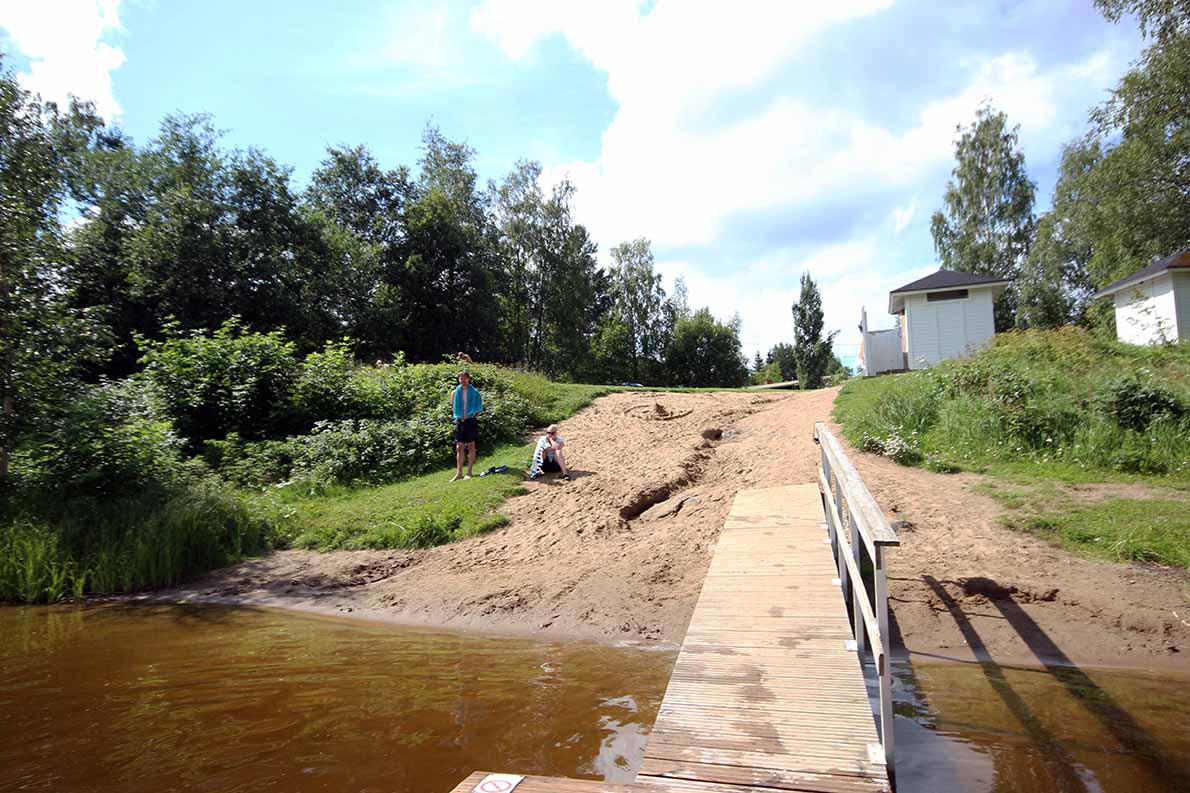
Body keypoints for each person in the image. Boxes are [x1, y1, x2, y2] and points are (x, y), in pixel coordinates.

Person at [451, 371, 483, 481]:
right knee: (459, 447)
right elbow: (453, 407)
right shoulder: (455, 392)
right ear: (458, 380)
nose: (463, 380)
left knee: (471, 446)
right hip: (460, 421)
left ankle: (469, 471)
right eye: (461, 378)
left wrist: (471, 415)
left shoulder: (475, 392)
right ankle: (459, 473)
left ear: (468, 379)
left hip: (470, 421)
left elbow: (478, 408)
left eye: (465, 378)